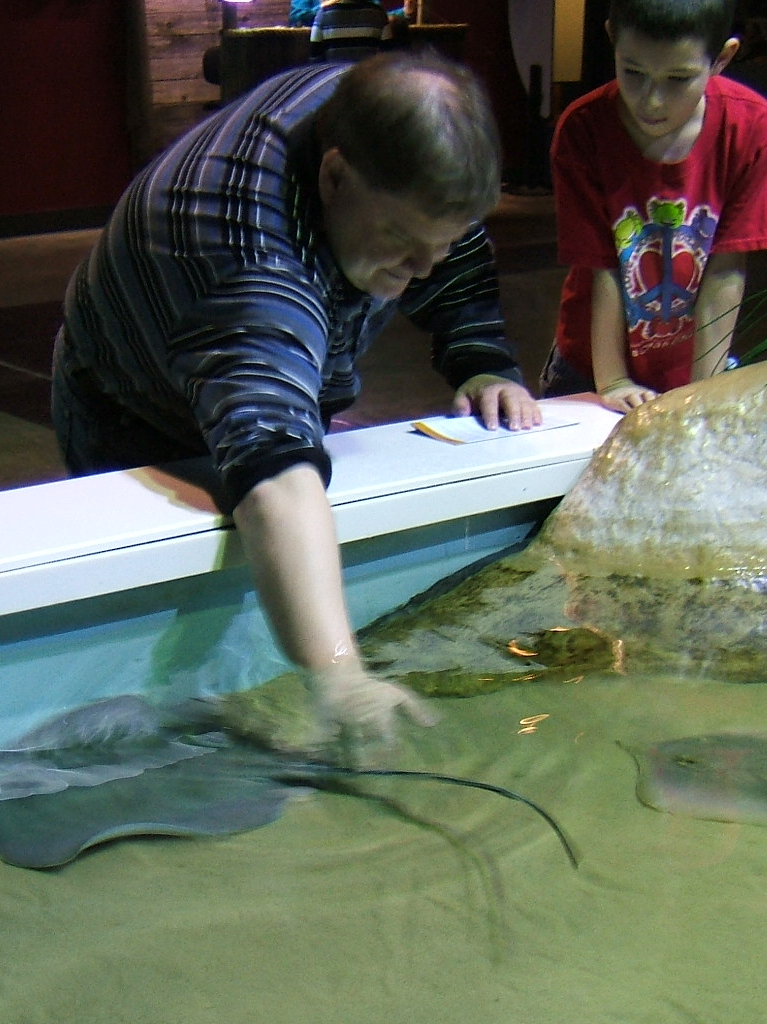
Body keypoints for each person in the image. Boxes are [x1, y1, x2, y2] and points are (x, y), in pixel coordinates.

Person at [54, 53, 541, 760]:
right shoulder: (247, 257)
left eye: (434, 245)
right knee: (170, 671)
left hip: (273, 358)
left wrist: (482, 358)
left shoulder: (378, 126)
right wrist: (341, 679)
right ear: (335, 175)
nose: (421, 270)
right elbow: (275, 478)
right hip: (134, 410)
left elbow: (443, 234)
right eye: (401, 244)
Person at [543, 0, 767, 414]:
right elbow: (601, 266)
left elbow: (726, 270)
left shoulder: (753, 128)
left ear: (722, 58)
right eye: (633, 73)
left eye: (678, 79)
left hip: (695, 366)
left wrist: (702, 391)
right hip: (590, 364)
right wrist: (613, 380)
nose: (651, 101)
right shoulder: (583, 130)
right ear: (612, 41)